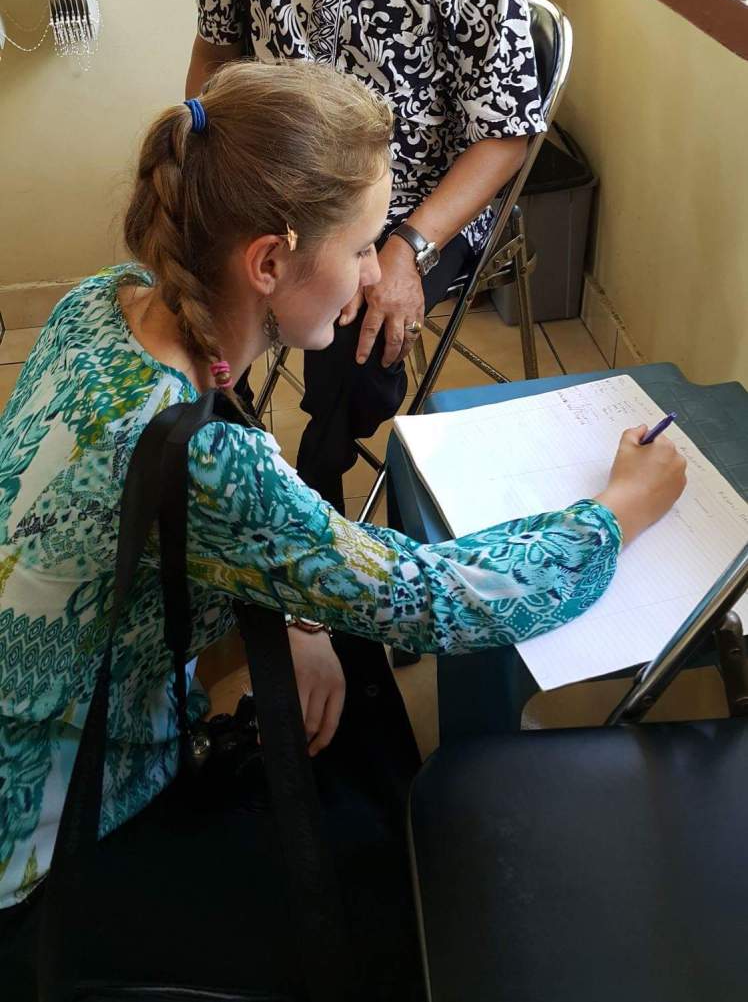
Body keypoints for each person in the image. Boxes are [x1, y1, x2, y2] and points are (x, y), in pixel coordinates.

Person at [0, 60, 685, 996]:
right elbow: (431, 599)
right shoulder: (207, 460)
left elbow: (183, 538)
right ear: (271, 262)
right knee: (394, 897)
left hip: (52, 709)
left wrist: (299, 612)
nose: (376, 274)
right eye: (365, 244)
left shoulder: (101, 302)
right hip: (40, 836)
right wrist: (618, 511)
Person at [187, 0, 546, 512]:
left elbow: (507, 132)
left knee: (350, 314)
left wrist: (405, 248)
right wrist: (204, 185)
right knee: (189, 282)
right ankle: (213, 473)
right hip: (283, 198)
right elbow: (217, 58)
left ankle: (312, 501)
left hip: (425, 207)